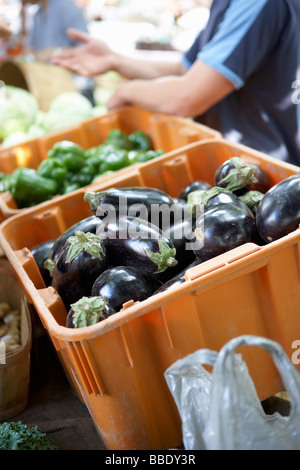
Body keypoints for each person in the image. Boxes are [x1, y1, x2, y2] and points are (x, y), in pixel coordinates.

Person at [52, 0, 300, 166]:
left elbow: (186, 98)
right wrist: (115, 60)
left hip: (263, 170)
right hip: (243, 164)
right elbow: (187, 70)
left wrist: (128, 91)